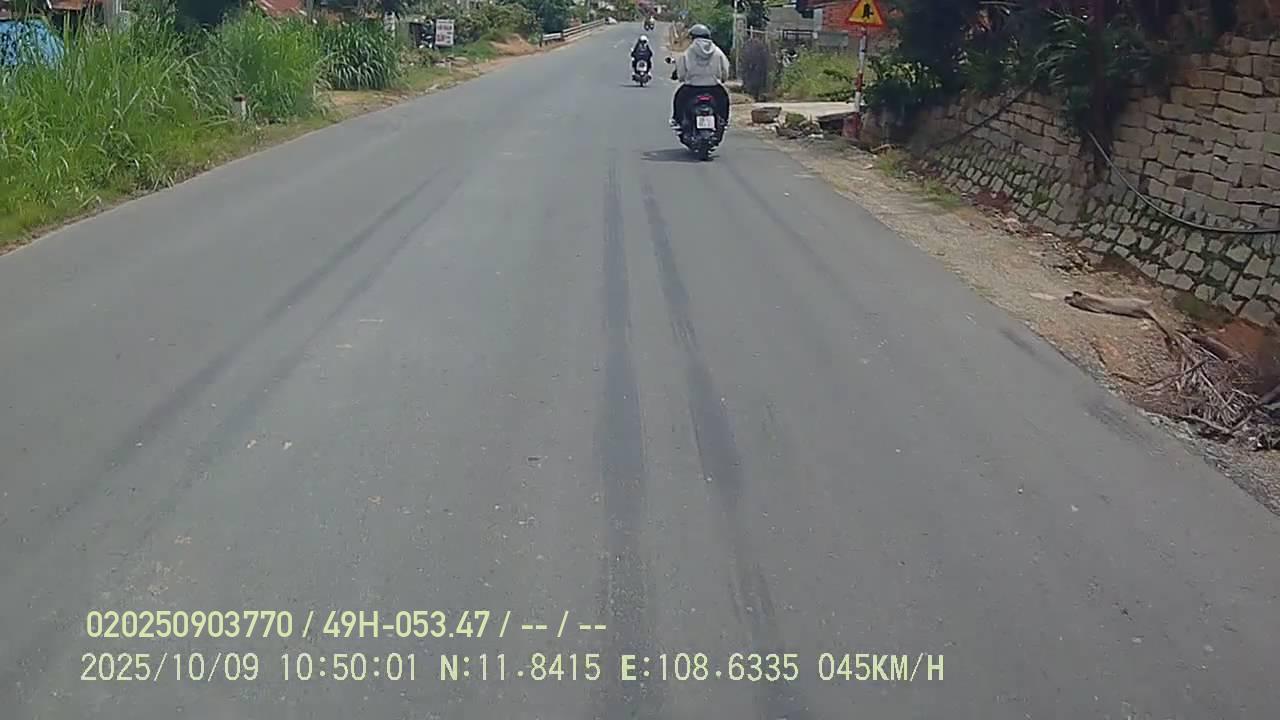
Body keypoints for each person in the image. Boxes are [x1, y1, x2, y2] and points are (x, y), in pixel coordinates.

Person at [670, 24, 730, 129]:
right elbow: (725, 69)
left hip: (692, 88)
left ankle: (677, 121)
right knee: (724, 101)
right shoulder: (717, 52)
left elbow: (681, 73)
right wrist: (723, 79)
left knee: (679, 99)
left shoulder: (688, 53)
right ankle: (723, 122)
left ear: (693, 37)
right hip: (713, 87)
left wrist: (682, 78)